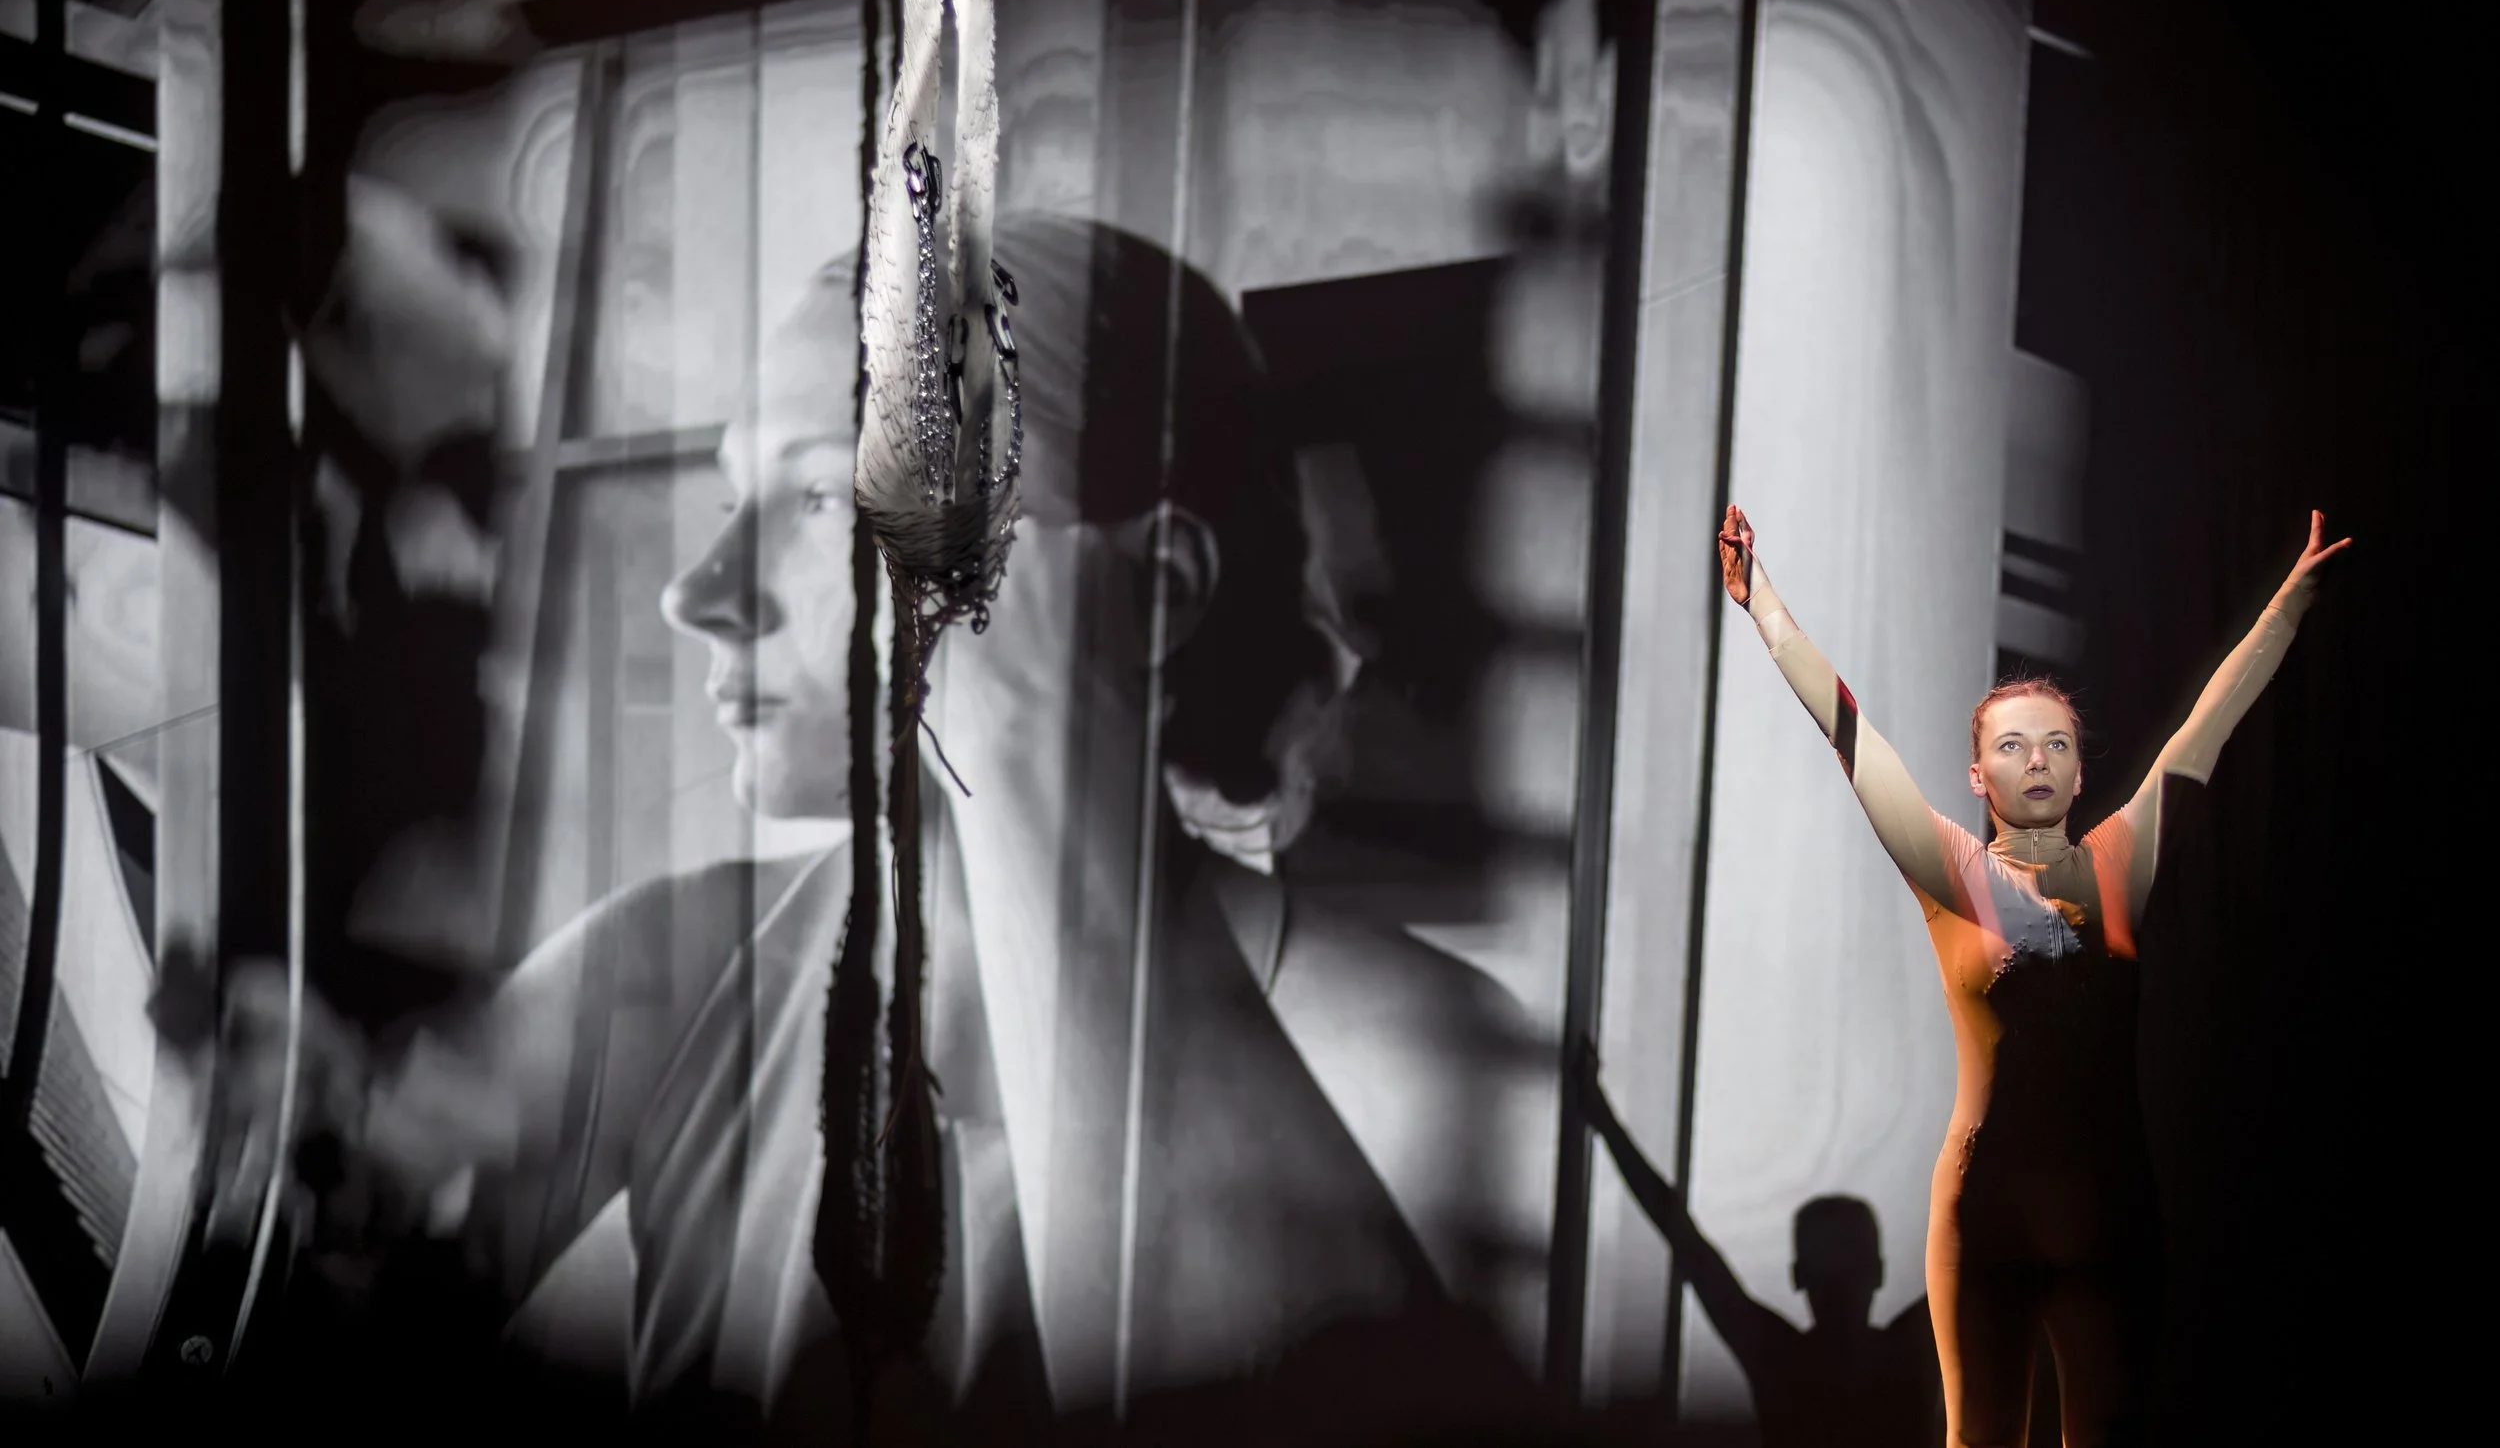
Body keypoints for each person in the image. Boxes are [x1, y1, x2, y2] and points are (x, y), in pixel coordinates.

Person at [203, 213, 1467, 1441]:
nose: (694, 594)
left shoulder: (1415, 1070)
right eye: (731, 499)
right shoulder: (667, 964)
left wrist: (1033, 740)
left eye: (822, 499)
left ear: (1150, 593)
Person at [1714, 502, 2349, 1448]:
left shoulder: (2121, 859)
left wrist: (2291, 601)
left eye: (2055, 742)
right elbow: (1849, 732)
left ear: (2081, 768)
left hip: (2113, 1221)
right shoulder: (1953, 872)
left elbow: (2211, 720)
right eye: (2011, 745)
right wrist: (1759, 598)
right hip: (1986, 1227)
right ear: (1978, 776)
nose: (2036, 759)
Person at [1571, 1040, 1940, 1448]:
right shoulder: (1909, 1352)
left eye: (1840, 1263)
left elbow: (1686, 1242)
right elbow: (1993, 1253)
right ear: (1877, 1272)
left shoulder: (1781, 1360)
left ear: (1798, 1277)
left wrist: (1604, 1119)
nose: (1839, 1281)